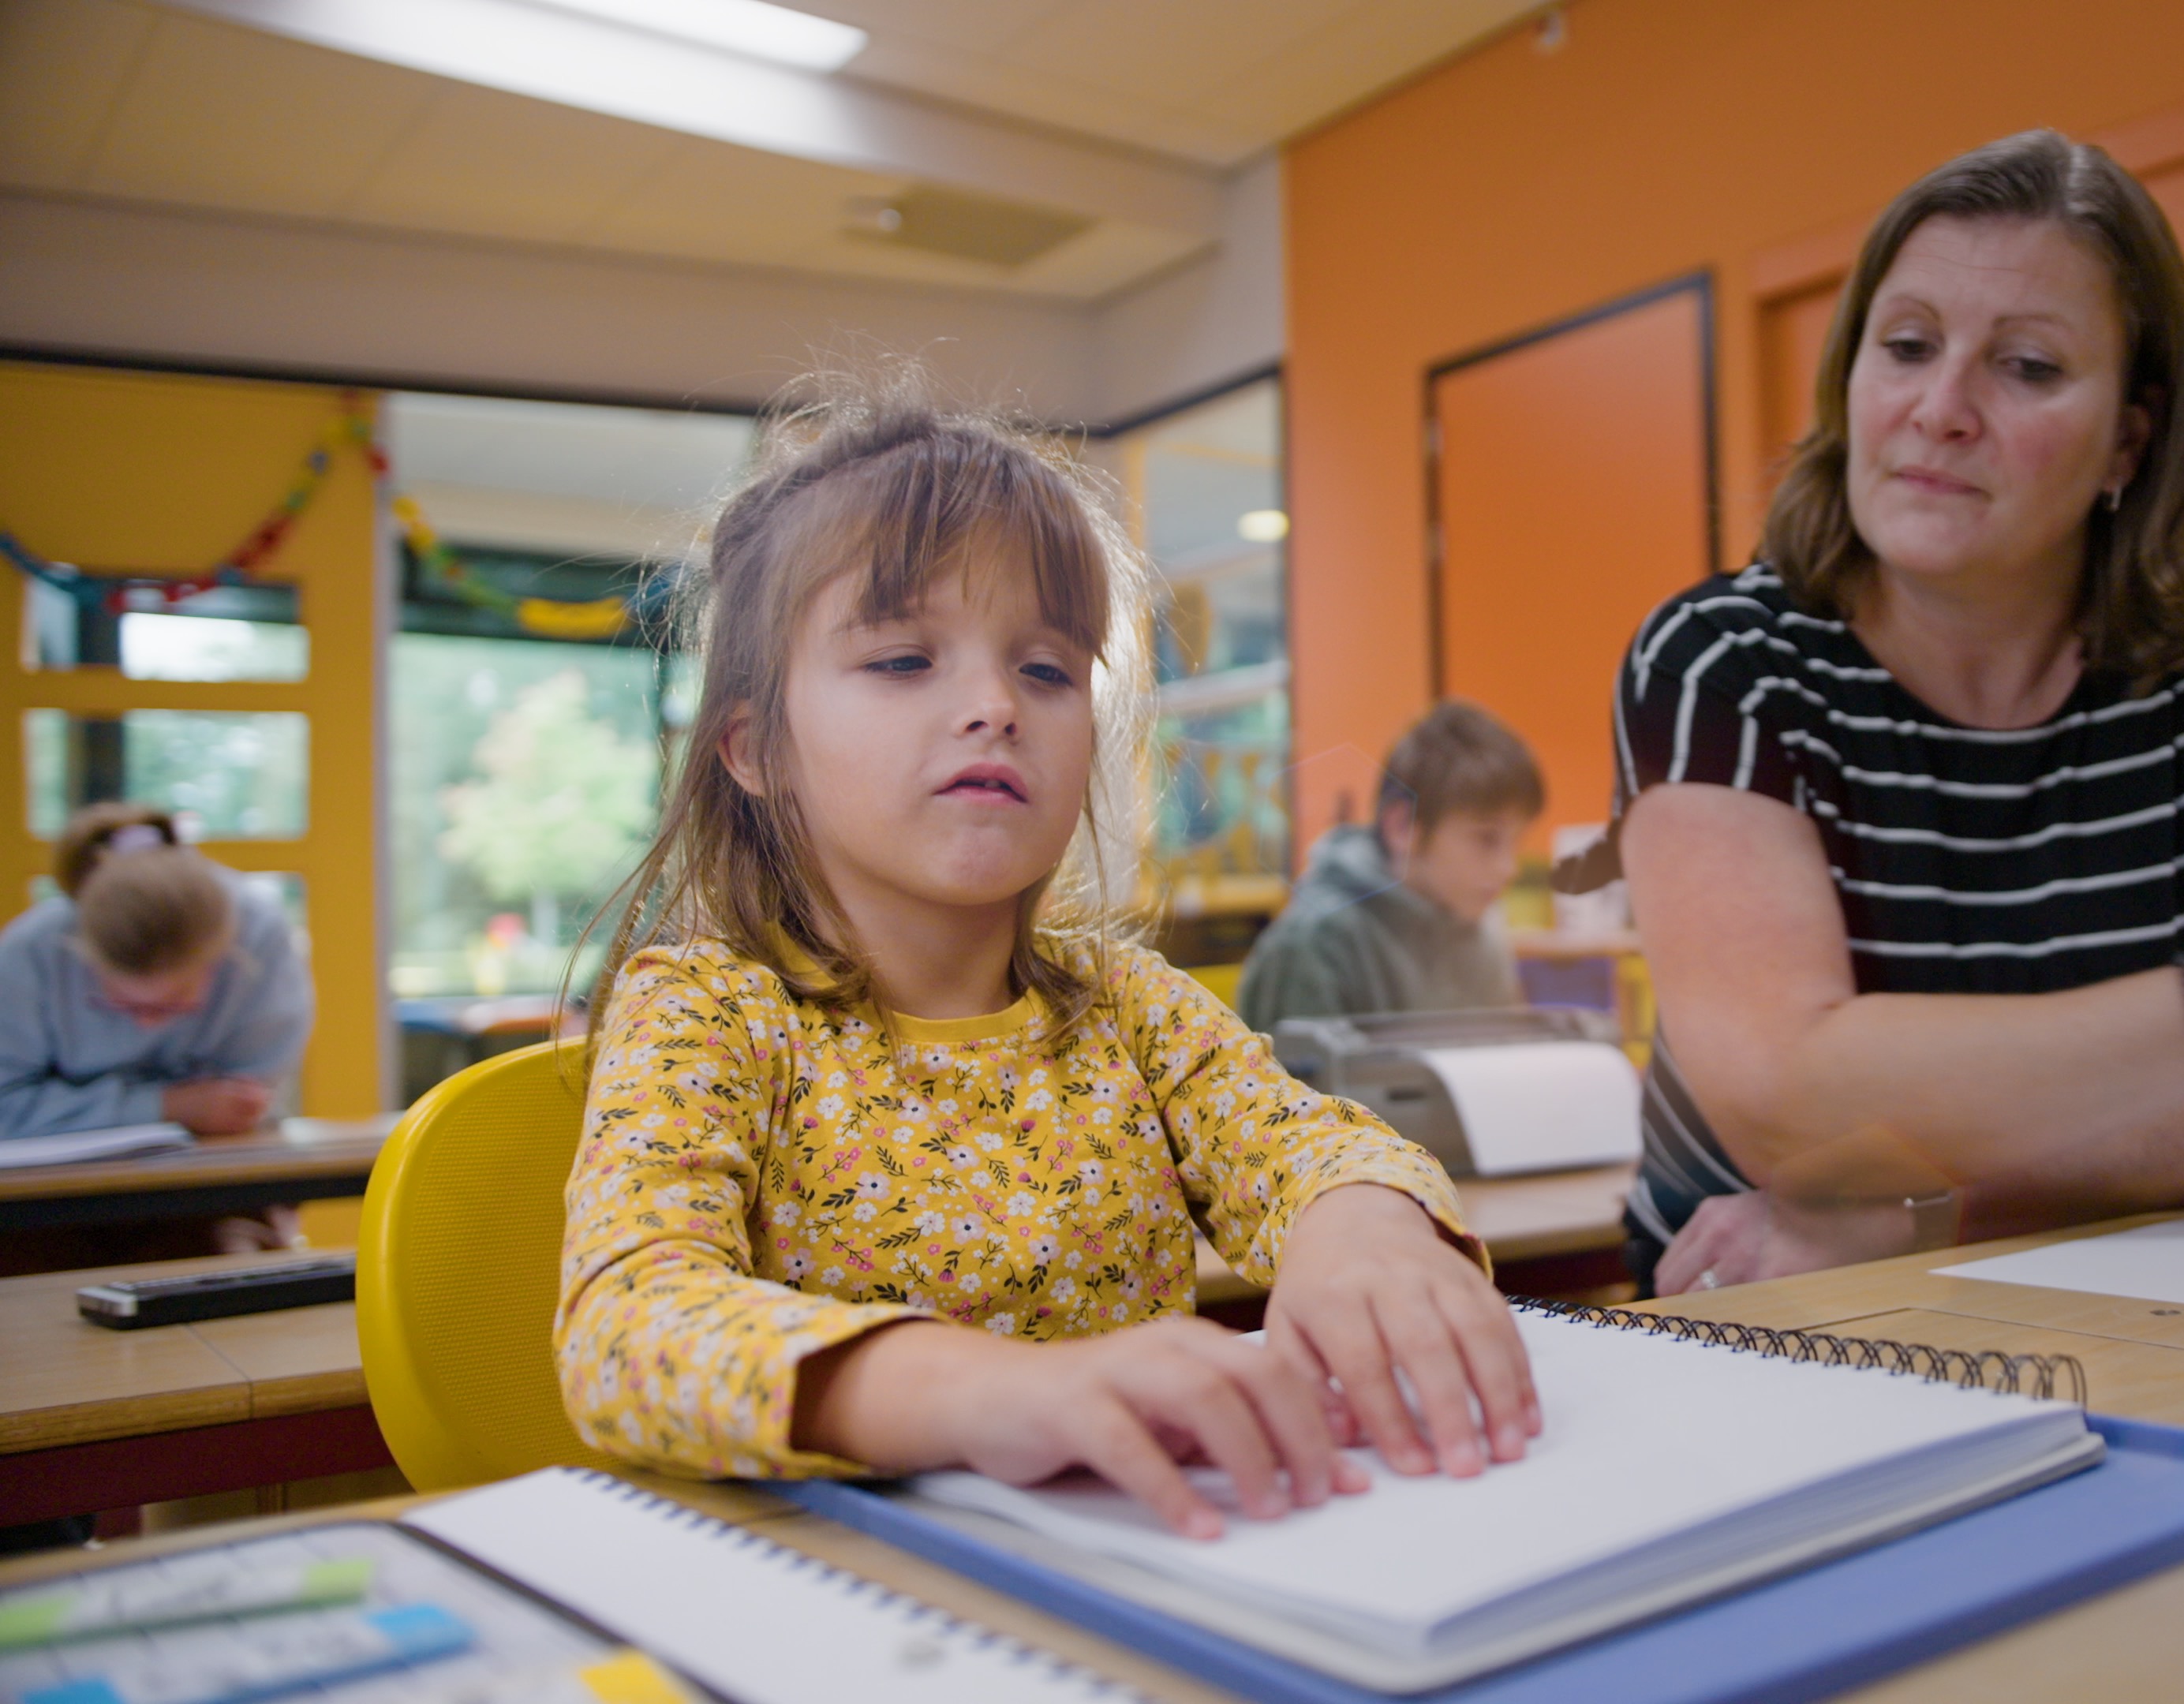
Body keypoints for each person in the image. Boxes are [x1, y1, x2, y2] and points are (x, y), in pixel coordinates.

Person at [555, 376, 1535, 1540]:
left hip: (1144, 1555)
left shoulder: (1127, 1005)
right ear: (755, 748)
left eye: (1048, 669)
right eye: (903, 660)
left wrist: (1360, 1224)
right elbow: (629, 1324)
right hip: (850, 1577)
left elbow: (1312, 1145)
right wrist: (986, 1394)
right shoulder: (707, 1012)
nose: (996, 705)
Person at [1600, 130, 2184, 1296]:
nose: (1940, 409)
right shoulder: (1720, 660)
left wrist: (1927, 1212)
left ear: (2128, 437)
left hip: (2146, 1292)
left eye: (2026, 367)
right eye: (1906, 346)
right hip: (1774, 1299)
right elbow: (1786, 1100)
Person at [0, 803, 312, 1142]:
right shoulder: (31, 949)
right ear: (84, 955)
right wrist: (166, 1106)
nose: (147, 1025)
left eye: (174, 1003)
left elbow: (249, 1102)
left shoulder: (258, 935)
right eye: (123, 1004)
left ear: (223, 959)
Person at [1235, 702, 1543, 1033]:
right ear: (1402, 827)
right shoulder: (1311, 945)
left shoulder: (1481, 936)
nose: (1508, 868)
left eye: (1516, 842)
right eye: (1486, 839)